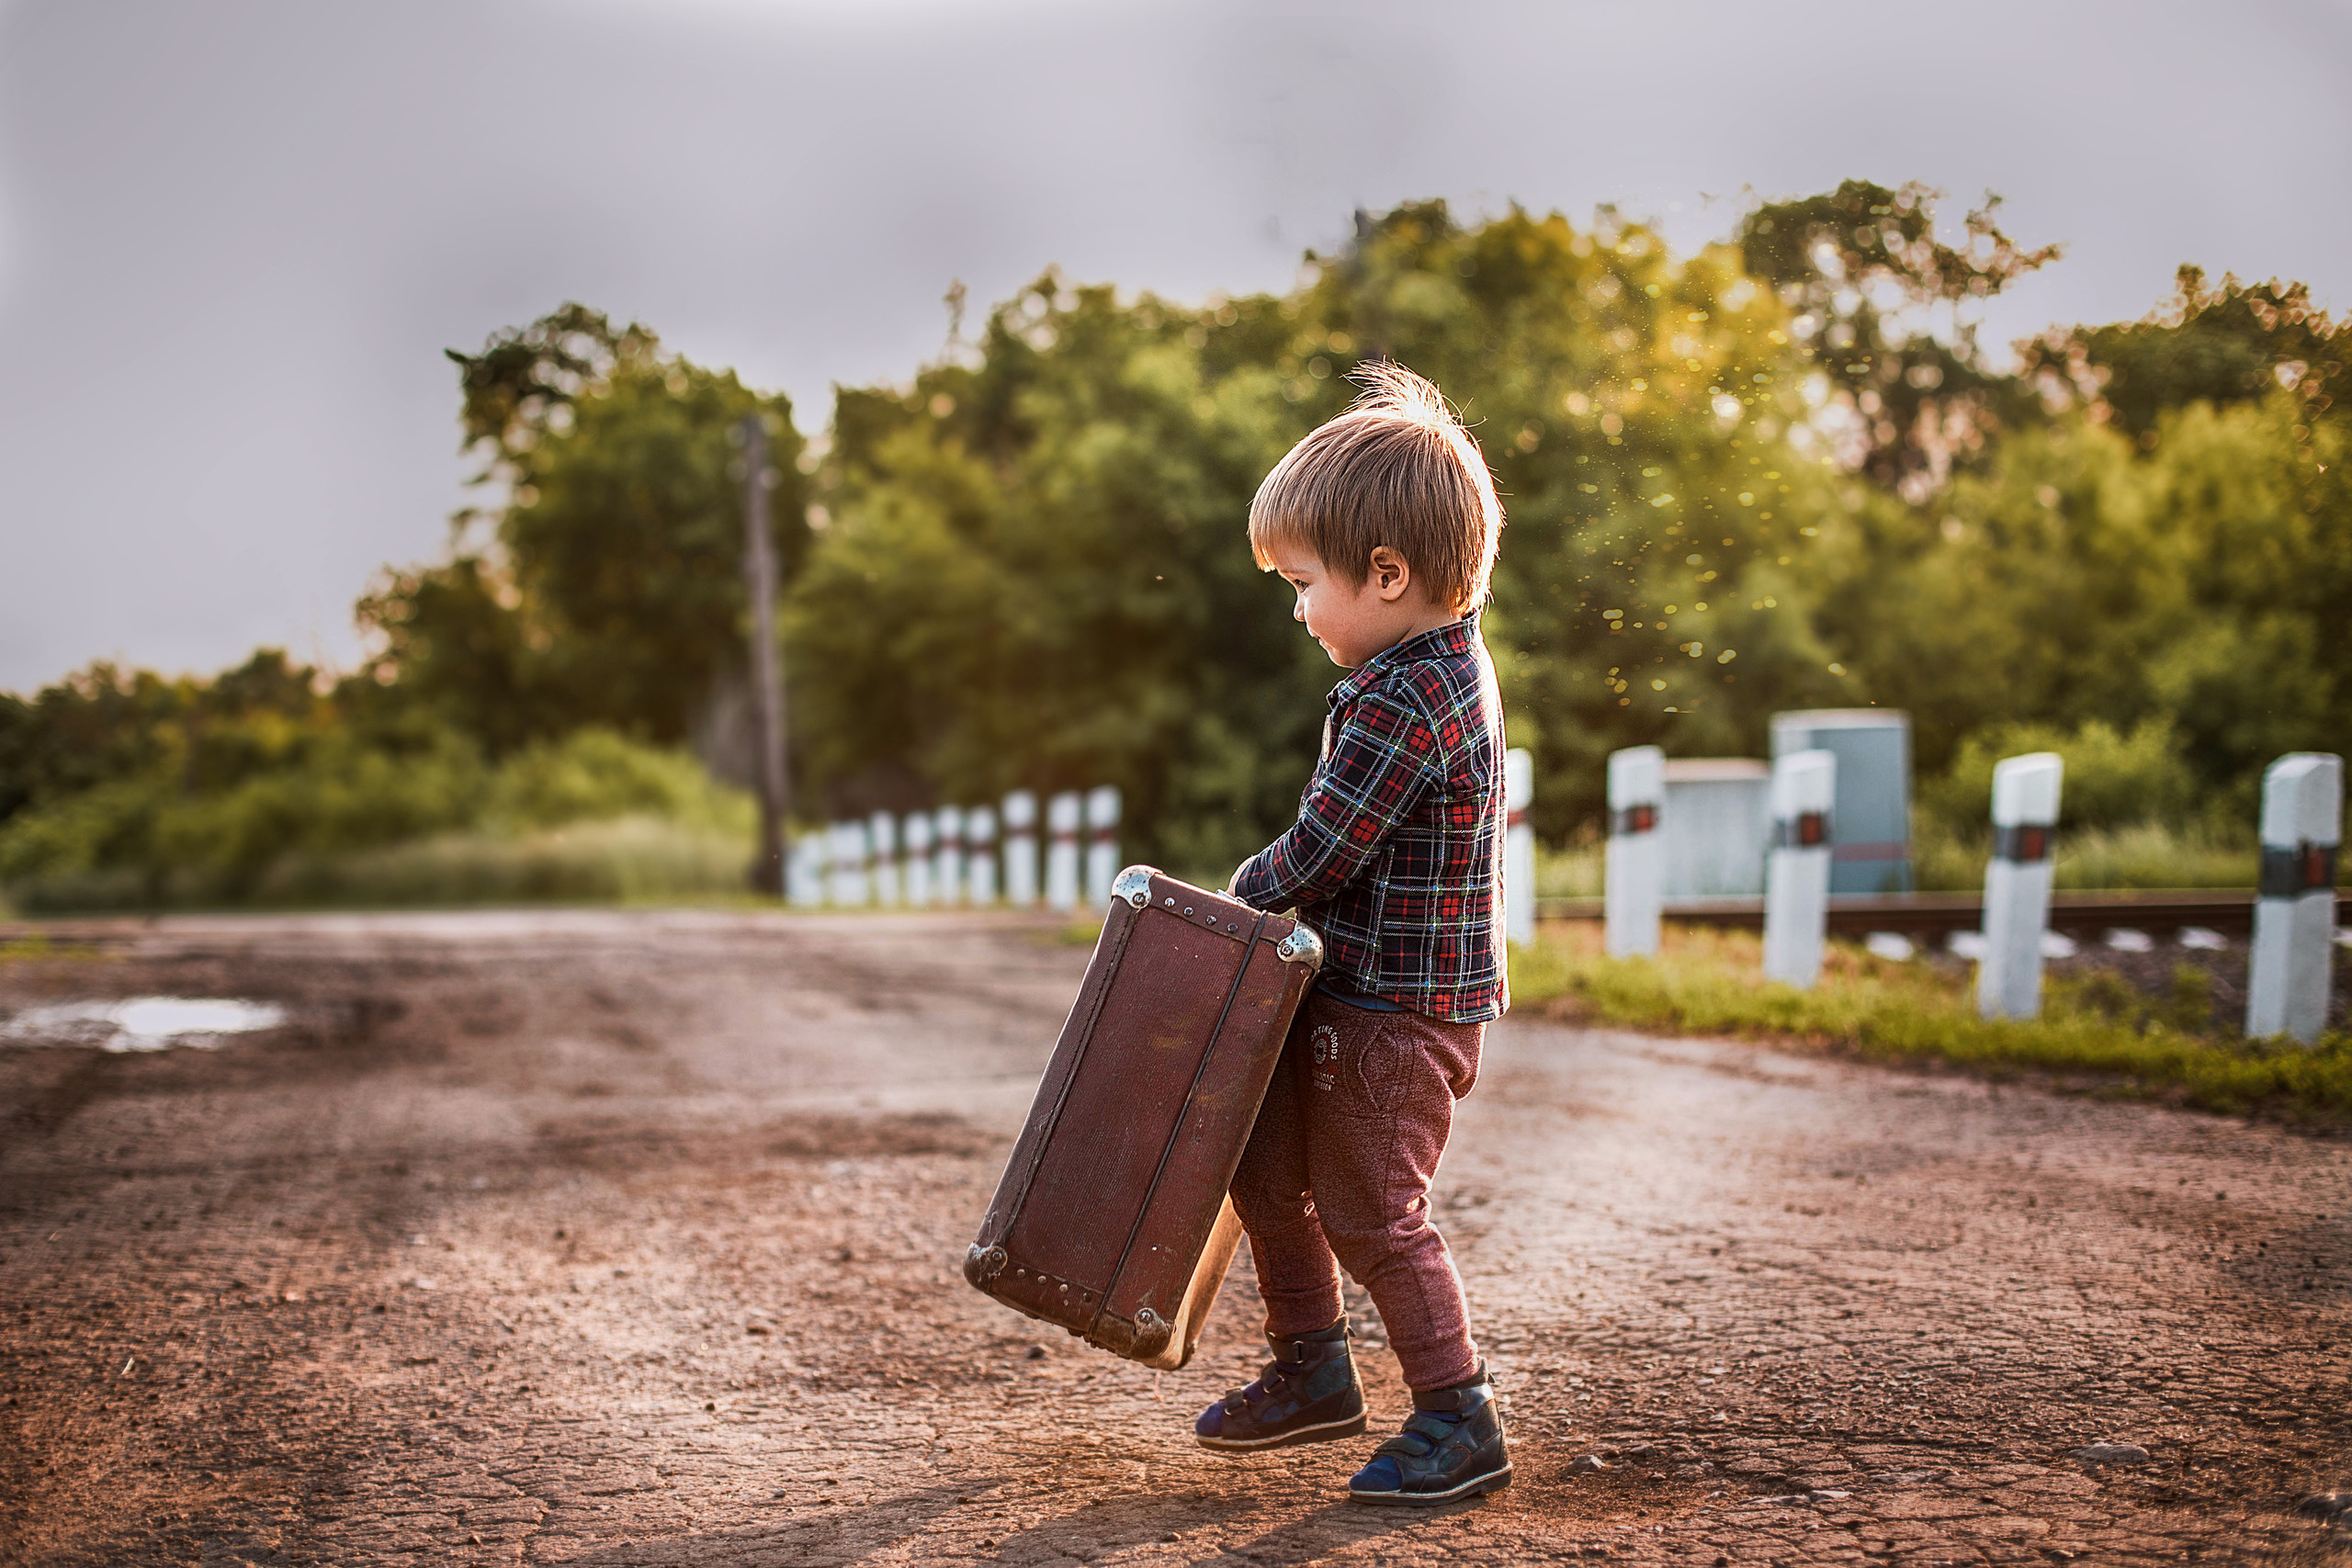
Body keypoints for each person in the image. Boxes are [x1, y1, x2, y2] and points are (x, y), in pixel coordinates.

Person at [1196, 360, 1512, 1506]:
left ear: (1386, 574)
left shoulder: (1408, 694)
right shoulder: (1415, 669)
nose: (1294, 608)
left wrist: (1239, 894)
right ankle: (1313, 1370)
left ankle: (1456, 1417)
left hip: (1397, 1014)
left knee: (1375, 1212)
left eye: (1303, 581)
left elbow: (1324, 849)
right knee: (1264, 1168)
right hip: (1350, 992)